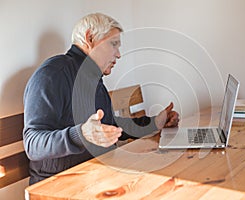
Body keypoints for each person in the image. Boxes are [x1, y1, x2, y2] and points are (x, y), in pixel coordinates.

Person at [23, 13, 179, 185]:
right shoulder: (53, 74)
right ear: (89, 38)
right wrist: (82, 134)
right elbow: (33, 144)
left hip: (99, 174)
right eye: (113, 44)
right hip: (59, 184)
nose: (118, 54)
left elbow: (111, 126)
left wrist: (155, 122)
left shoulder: (94, 80)